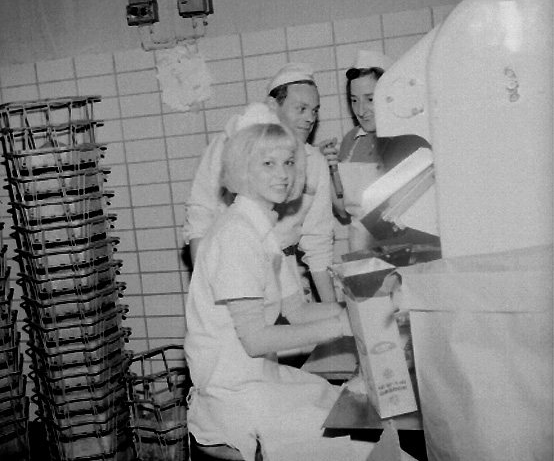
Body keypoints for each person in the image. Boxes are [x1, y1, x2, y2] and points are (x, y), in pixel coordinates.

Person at [184, 123, 374, 461]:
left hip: (261, 379)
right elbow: (255, 340)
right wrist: (343, 326)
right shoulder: (235, 236)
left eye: (288, 162)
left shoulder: (263, 228)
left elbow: (297, 311)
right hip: (233, 396)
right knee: (361, 444)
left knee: (346, 406)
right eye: (268, 163)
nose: (283, 174)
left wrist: (363, 310)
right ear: (242, 168)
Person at [185, 63, 336, 302]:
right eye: (301, 108)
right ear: (273, 105)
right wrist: (206, 290)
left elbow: (318, 241)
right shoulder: (229, 146)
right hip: (232, 272)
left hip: (286, 271)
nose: (310, 118)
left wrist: (334, 307)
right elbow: (200, 218)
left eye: (314, 110)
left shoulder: (315, 162)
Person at [320, 50, 431, 251]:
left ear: (389, 95)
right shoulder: (351, 141)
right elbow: (343, 211)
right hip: (361, 249)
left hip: (407, 248)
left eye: (370, 99)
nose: (360, 110)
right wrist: (328, 170)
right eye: (354, 100)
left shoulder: (410, 140)